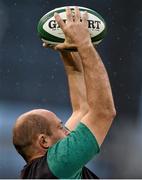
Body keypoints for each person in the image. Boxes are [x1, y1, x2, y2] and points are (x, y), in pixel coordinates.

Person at [12, 7, 116, 179]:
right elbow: (103, 112)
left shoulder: (43, 169)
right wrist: (84, 44)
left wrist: (67, 52)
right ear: (43, 141)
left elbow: (82, 110)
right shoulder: (59, 162)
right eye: (61, 127)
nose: (68, 131)